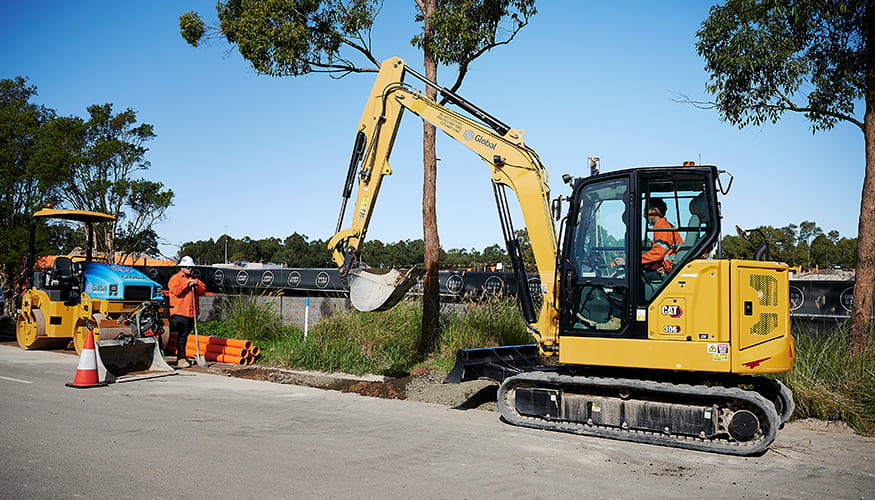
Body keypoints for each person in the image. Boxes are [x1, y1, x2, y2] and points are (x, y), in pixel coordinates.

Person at [168, 256, 206, 368]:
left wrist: (196, 284)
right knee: (182, 335)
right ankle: (181, 358)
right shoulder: (175, 279)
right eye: (188, 267)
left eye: (191, 267)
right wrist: (187, 284)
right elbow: (176, 291)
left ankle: (183, 356)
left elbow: (203, 290)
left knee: (185, 335)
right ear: (182, 267)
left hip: (191, 312)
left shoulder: (194, 279)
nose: (190, 269)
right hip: (179, 312)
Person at [641, 198, 683, 275]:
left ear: (655, 211)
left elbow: (658, 253)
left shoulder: (662, 227)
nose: (643, 215)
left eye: (646, 211)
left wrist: (634, 260)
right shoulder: (665, 226)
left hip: (666, 271)